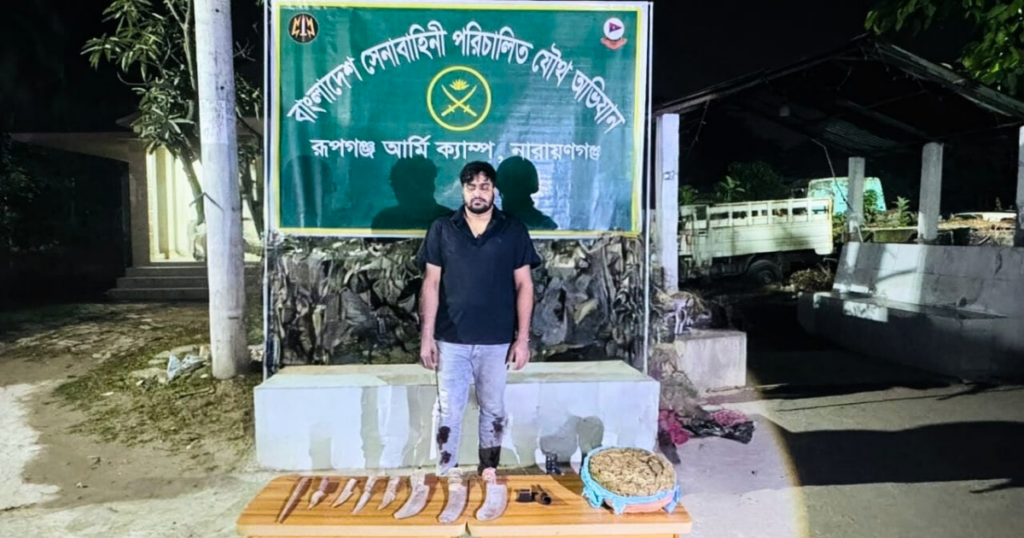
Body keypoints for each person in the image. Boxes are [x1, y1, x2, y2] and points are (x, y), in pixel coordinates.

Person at [416, 161, 542, 476]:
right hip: (450, 339)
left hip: (497, 341)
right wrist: (426, 338)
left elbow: (524, 286)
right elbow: (431, 284)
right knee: (449, 410)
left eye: (484, 186)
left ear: (494, 190)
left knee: (494, 409)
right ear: (462, 190)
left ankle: (489, 471)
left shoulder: (513, 230)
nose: (478, 193)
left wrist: (522, 340)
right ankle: (447, 473)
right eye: (471, 186)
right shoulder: (442, 229)